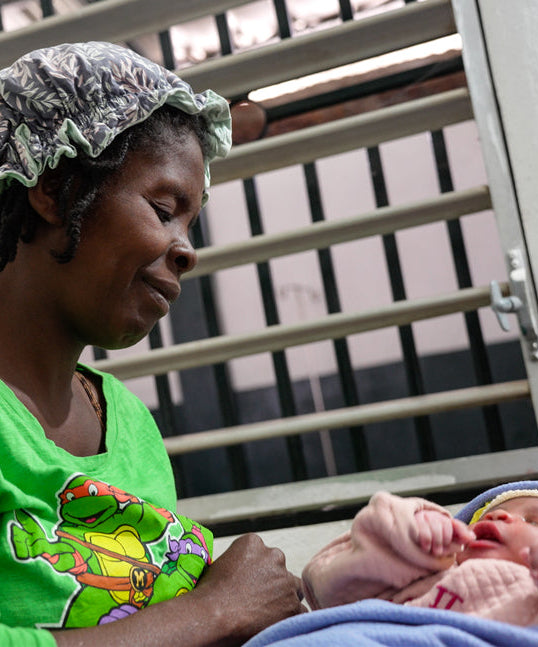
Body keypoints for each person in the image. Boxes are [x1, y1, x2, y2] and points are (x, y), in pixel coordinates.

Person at [0, 41, 306, 646]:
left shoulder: (128, 422)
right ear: (56, 189)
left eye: (190, 225)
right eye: (164, 208)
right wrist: (213, 610)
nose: (187, 250)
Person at [302, 480, 538, 626]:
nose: (500, 515)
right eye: (487, 515)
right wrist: (409, 536)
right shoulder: (426, 575)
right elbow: (326, 585)